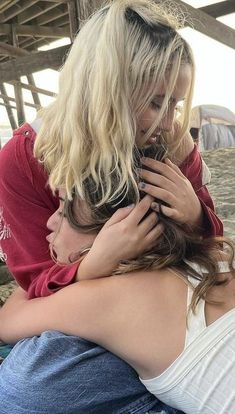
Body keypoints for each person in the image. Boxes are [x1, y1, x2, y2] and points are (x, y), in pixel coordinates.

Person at [0, 0, 223, 412]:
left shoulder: (173, 143)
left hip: (135, 311)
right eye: (157, 102)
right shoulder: (24, 159)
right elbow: (33, 278)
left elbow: (206, 244)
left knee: (23, 389)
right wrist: (91, 266)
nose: (171, 122)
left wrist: (194, 213)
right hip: (113, 310)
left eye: (175, 103)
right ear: (108, 87)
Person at [0, 153, 234, 414]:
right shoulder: (216, 256)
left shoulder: (104, 298)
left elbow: (8, 321)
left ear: (116, 229)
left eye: (64, 208)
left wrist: (85, 269)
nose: (50, 221)